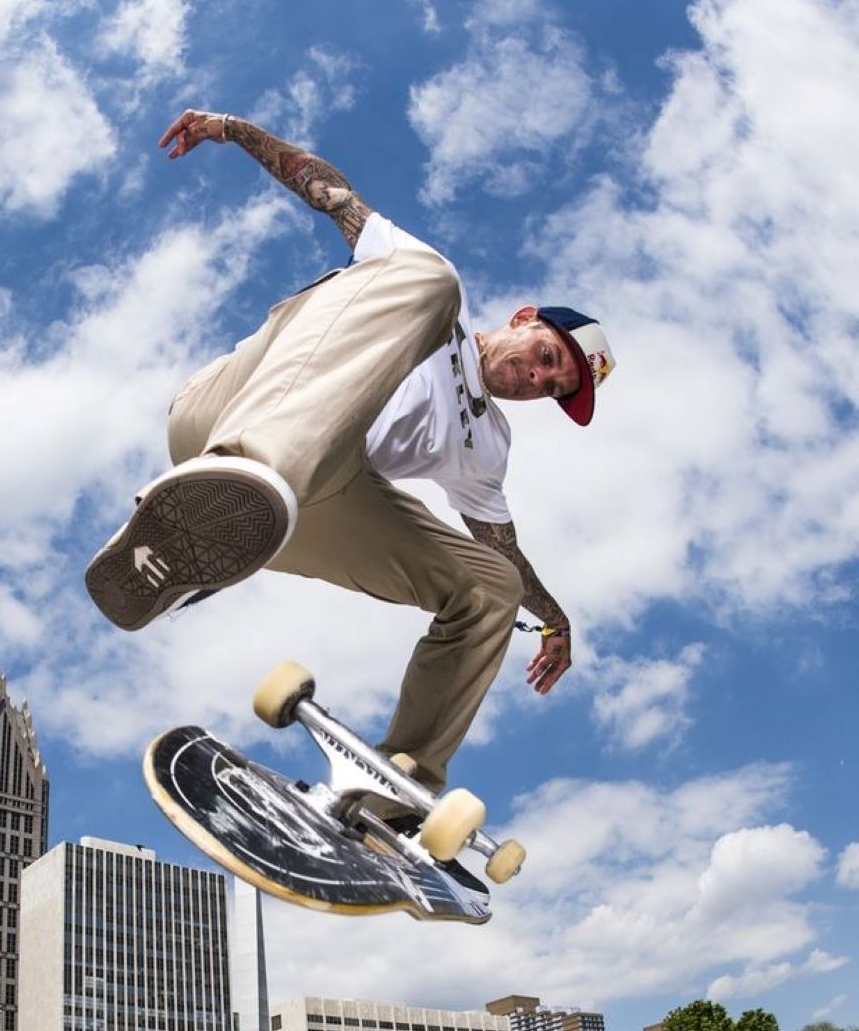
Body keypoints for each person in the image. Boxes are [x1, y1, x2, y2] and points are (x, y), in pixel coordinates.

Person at [85, 109, 616, 801]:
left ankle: (391, 793)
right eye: (546, 358)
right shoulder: (427, 289)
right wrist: (233, 131)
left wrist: (554, 619)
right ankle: (245, 472)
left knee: (491, 586)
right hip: (228, 411)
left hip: (307, 507)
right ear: (523, 319)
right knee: (431, 279)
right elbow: (326, 192)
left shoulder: (488, 446)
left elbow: (502, 544)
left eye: (553, 388)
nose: (538, 379)